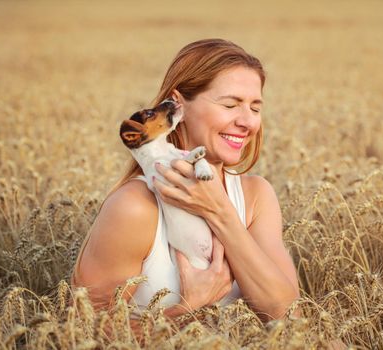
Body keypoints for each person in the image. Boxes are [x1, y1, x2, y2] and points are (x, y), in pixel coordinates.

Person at [71, 38, 301, 329]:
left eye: (255, 108)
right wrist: (186, 311)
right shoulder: (135, 207)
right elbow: (82, 330)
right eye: (230, 104)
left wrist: (220, 212)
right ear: (178, 105)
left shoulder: (256, 197)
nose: (248, 122)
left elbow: (292, 319)